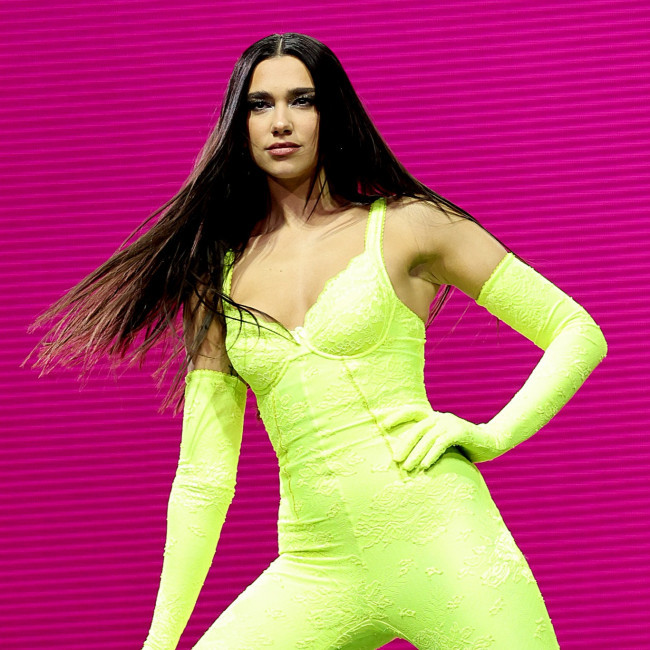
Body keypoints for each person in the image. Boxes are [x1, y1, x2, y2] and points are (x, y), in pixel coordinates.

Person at [25, 33, 607, 649]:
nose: (280, 122)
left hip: (446, 541)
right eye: (259, 104)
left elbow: (577, 331)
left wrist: (493, 434)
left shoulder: (410, 226)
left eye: (301, 100)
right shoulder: (214, 280)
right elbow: (203, 476)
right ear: (239, 125)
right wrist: (159, 642)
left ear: (332, 113)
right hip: (316, 566)